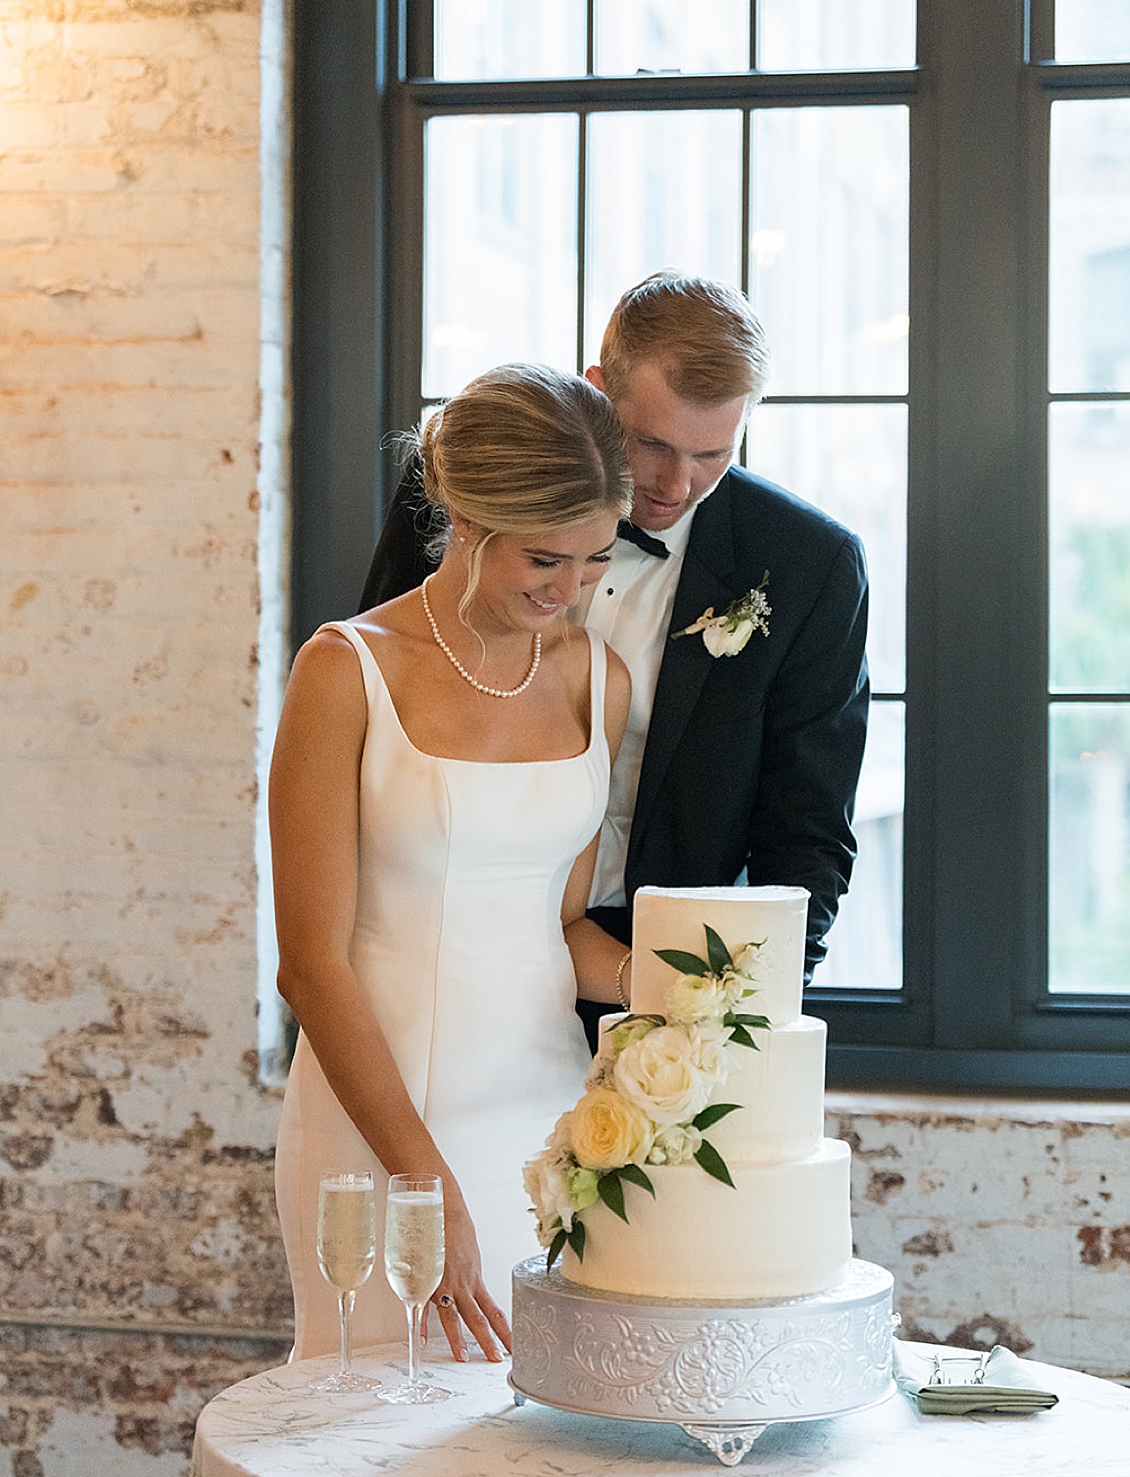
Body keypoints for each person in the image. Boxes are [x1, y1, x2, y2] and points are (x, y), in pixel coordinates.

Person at [360, 272, 870, 1039]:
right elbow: (377, 712)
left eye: (712, 454)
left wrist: (743, 1015)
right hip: (440, 947)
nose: (675, 483)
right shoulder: (475, 489)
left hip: (657, 976)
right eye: (653, 443)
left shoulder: (806, 565)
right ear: (599, 390)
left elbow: (809, 833)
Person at [271, 363, 634, 1365]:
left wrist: (672, 982)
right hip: (382, 1128)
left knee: (546, 1452)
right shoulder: (346, 669)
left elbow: (557, 928)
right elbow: (310, 965)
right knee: (378, 1440)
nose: (570, 593)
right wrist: (424, 1186)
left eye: (598, 560)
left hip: (547, 1133)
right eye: (544, 560)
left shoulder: (598, 680)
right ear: (466, 518)